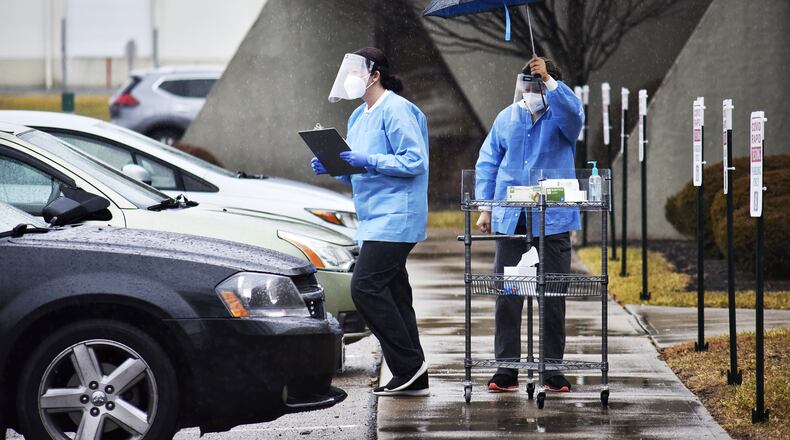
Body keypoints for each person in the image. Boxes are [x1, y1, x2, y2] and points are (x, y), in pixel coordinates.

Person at [311, 47, 430, 397]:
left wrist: (367, 159)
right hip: (374, 217)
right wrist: (335, 166)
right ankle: (414, 375)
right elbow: (358, 172)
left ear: (375, 74)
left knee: (364, 287)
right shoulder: (358, 117)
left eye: (356, 70)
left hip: (397, 215)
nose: (350, 76)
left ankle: (408, 366)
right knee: (395, 292)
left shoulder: (398, 110)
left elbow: (414, 161)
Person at [475, 56, 583, 393]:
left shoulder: (562, 116)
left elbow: (575, 114)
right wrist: (486, 207)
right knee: (510, 296)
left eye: (537, 84)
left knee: (552, 295)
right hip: (513, 219)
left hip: (553, 221)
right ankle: (506, 368)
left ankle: (552, 369)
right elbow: (488, 160)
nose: (530, 90)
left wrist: (550, 80)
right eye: (527, 83)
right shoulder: (507, 117)